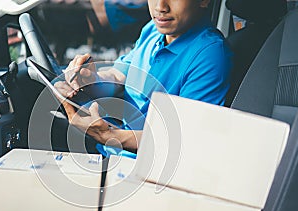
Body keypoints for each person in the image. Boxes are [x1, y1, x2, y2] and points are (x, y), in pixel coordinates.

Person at [55, 0, 232, 158]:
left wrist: (109, 136)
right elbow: (120, 75)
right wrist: (90, 79)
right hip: (113, 151)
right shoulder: (154, 31)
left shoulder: (210, 54)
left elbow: (183, 141)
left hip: (144, 168)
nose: (160, 7)